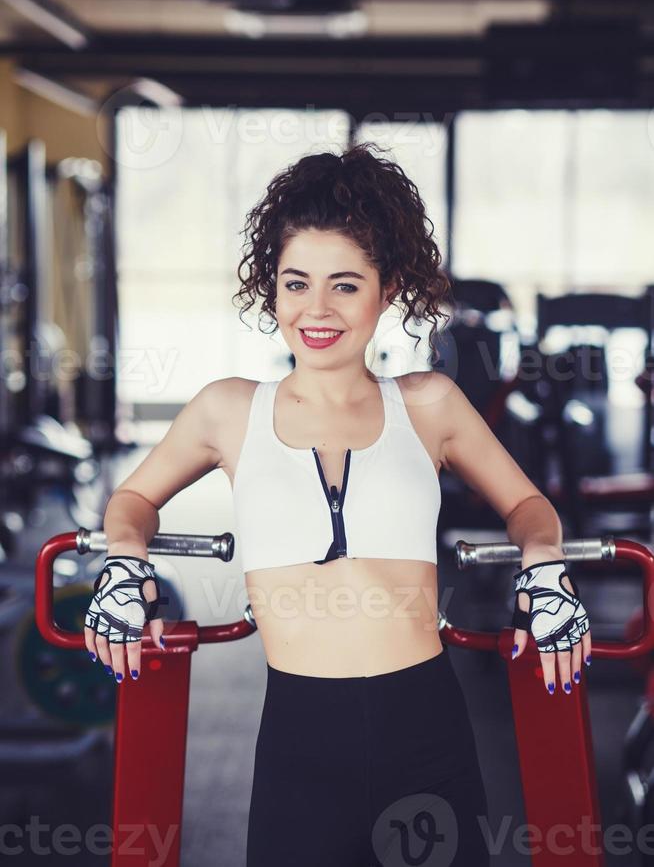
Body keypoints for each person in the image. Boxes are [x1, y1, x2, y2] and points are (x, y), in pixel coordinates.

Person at [84, 143, 591, 867]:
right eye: (296, 284)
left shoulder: (430, 404)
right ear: (273, 290)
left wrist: (542, 566)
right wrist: (123, 562)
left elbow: (529, 505)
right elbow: (132, 498)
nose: (316, 310)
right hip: (299, 737)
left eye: (345, 286)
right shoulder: (228, 411)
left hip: (426, 730)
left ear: (387, 291)